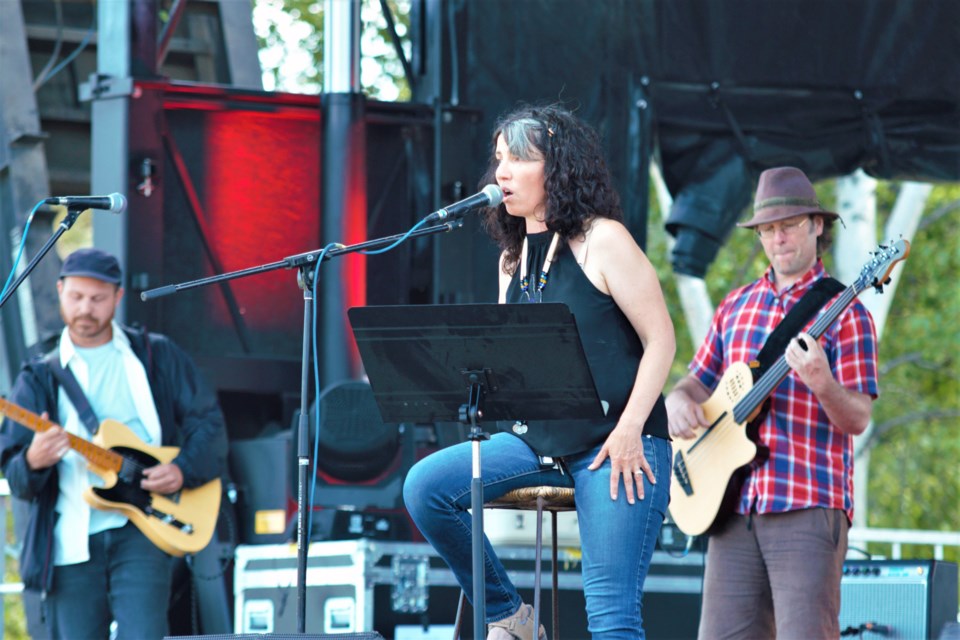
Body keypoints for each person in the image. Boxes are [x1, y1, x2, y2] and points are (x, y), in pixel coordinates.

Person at [403, 104, 676, 639]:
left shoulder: (604, 239)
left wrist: (628, 432)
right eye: (498, 159)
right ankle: (510, 615)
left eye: (519, 159)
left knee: (612, 619)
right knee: (425, 486)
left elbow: (661, 339)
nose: (500, 173)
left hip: (615, 443)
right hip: (539, 442)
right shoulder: (512, 259)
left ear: (559, 167)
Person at [665, 166, 879, 639]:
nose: (777, 239)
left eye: (788, 226)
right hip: (732, 505)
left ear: (817, 226)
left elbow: (859, 417)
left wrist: (822, 381)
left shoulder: (848, 313)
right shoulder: (735, 306)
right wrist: (676, 401)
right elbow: (695, 383)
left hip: (806, 502)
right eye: (767, 230)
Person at [0, 247, 228, 639]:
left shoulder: (157, 356)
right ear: (59, 291)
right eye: (76, 296)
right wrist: (34, 461)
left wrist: (182, 470)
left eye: (97, 298)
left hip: (144, 530)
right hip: (70, 541)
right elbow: (16, 475)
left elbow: (209, 423)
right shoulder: (38, 376)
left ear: (118, 297)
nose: (85, 308)